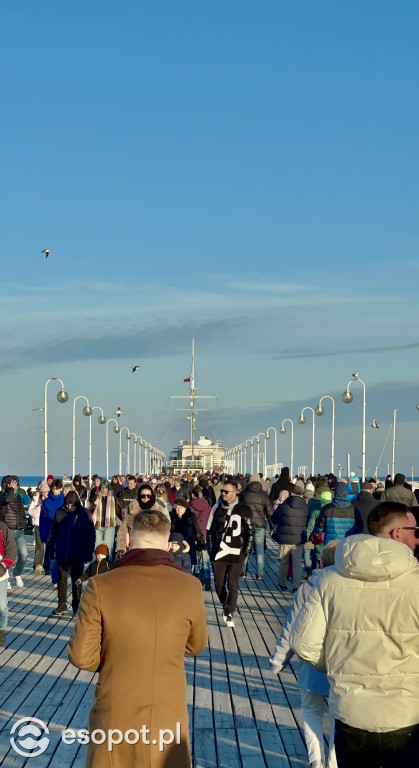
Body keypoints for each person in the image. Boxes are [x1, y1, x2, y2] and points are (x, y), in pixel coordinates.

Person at [68, 510, 208, 768]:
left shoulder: (100, 586)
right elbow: (196, 644)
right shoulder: (190, 586)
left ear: (130, 539)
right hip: (167, 711)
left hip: (116, 711)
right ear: (168, 545)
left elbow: (82, 657)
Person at [290, 502, 419, 768]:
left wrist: (338, 665)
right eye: (414, 530)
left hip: (351, 714)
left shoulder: (328, 579)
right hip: (406, 715)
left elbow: (303, 644)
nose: (417, 537)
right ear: (396, 533)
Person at [270, 540, 340, 768]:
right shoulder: (349, 589)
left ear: (321, 561)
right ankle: (333, 760)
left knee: (311, 711)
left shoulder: (307, 589)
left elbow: (291, 628)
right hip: (340, 664)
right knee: (338, 717)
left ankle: (315, 759)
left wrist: (278, 660)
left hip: (310, 664)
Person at [206, 480, 254, 628]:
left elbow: (250, 532)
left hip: (236, 552)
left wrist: (245, 552)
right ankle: (226, 605)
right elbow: (209, 530)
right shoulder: (216, 507)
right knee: (219, 585)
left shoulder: (244, 510)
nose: (223, 494)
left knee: (233, 585)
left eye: (226, 492)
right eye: (222, 491)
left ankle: (229, 613)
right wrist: (210, 550)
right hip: (219, 553)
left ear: (235, 492)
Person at [47, 491, 95, 617]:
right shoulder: (60, 512)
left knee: (76, 580)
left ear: (77, 504)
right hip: (62, 552)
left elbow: (91, 534)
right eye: (67, 505)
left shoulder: (84, 514)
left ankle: (76, 605)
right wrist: (50, 549)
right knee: (61, 579)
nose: (69, 507)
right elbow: (53, 532)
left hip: (78, 553)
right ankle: (62, 604)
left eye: (72, 505)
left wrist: (89, 552)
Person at [272, 480, 307, 592]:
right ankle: (296, 585)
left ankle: (282, 583)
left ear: (291, 493)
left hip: (284, 538)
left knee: (284, 561)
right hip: (299, 539)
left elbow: (274, 518)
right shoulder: (305, 507)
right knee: (297, 563)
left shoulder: (285, 505)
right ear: (302, 494)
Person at [242, 473, 274, 580]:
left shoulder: (243, 494)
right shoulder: (264, 495)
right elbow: (269, 511)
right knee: (260, 551)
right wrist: (272, 525)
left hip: (246, 525)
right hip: (260, 525)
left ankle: (243, 572)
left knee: (245, 549)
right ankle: (259, 573)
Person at [0, 475, 28, 588]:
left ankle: (17, 573)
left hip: (19, 530)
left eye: (15, 483)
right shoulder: (2, 495)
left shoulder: (18, 496)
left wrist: (24, 524)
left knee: (24, 554)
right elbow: (6, 499)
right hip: (8, 530)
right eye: (11, 483)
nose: (14, 485)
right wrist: (10, 489)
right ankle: (5, 577)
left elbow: (24, 506)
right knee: (8, 554)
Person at [313, 481, 361, 546]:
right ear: (346, 493)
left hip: (330, 544)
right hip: (348, 543)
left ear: (335, 492)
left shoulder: (327, 508)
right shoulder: (354, 509)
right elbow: (359, 529)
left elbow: (319, 528)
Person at [40, 478, 65, 586]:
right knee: (52, 557)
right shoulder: (46, 502)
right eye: (53, 488)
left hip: (63, 532)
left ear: (61, 489)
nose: (55, 491)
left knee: (62, 555)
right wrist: (43, 535)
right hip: (51, 532)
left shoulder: (65, 501)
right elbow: (43, 519)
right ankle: (55, 579)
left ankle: (61, 576)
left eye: (57, 489)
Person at [170, 499, 205, 568]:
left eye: (181, 508)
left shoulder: (191, 516)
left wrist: (201, 544)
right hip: (174, 546)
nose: (179, 510)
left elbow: (197, 531)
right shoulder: (171, 516)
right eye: (177, 508)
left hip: (188, 544)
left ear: (185, 508)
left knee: (188, 566)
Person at [189, 486, 212, 589]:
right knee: (205, 559)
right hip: (205, 534)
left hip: (194, 534)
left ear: (192, 494)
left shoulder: (190, 505)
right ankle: (207, 579)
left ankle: (194, 580)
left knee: (194, 559)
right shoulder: (208, 506)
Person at [0, 519, 17, 646]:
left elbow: (11, 550)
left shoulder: (2, 527)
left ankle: (1, 629)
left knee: (2, 607)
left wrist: (2, 566)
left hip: (1, 574)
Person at [90, 481, 117, 561]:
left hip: (109, 525)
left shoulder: (113, 498)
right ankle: (96, 564)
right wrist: (94, 504)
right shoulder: (96, 497)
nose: (104, 490)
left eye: (105, 488)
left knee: (109, 547)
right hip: (98, 525)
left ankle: (109, 564)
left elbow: (118, 510)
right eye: (102, 488)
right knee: (97, 546)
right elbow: (89, 511)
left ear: (108, 489)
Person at [28, 480, 49, 575]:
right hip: (39, 524)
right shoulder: (36, 498)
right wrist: (39, 507)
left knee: (50, 546)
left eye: (46, 492)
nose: (44, 494)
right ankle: (38, 565)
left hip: (49, 525)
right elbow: (30, 512)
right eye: (43, 492)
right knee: (39, 546)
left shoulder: (51, 498)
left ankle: (48, 567)